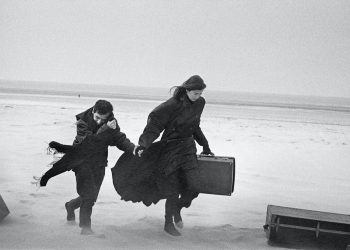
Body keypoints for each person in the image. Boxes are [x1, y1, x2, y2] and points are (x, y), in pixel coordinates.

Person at [36, 100, 136, 235]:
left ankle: (70, 205)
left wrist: (134, 149)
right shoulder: (82, 122)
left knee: (91, 196)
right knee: (88, 195)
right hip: (80, 161)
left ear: (109, 115)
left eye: (103, 119)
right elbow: (89, 142)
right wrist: (106, 128)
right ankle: (85, 227)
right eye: (97, 118)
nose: (99, 121)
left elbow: (118, 139)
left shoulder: (111, 122)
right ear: (93, 111)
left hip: (99, 162)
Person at [133, 75, 214, 236]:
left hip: (188, 149)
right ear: (187, 90)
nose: (198, 96)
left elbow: (195, 126)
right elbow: (154, 126)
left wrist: (205, 145)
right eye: (195, 93)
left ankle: (177, 208)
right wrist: (143, 144)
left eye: (200, 93)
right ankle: (168, 223)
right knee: (172, 189)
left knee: (194, 187)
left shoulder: (200, 103)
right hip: (170, 149)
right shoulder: (172, 105)